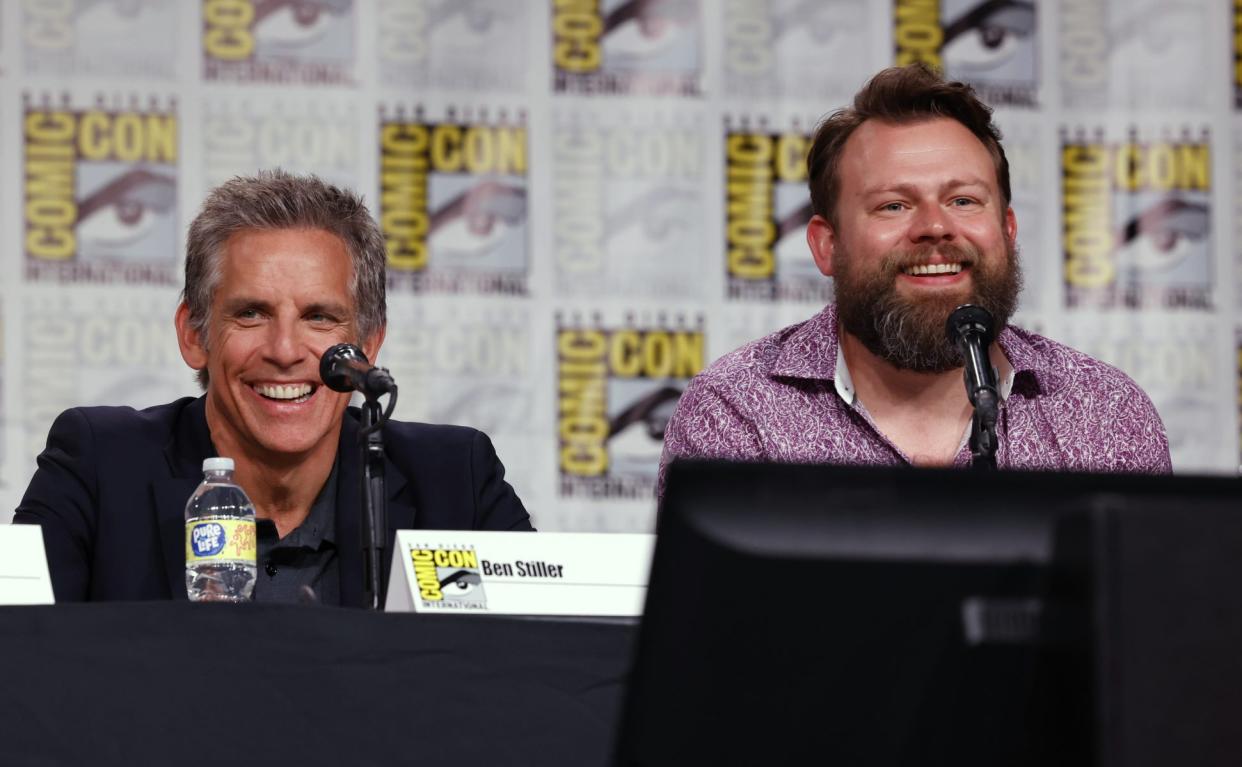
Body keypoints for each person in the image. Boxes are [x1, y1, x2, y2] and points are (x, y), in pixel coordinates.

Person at [15, 170, 533, 605]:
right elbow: (19, 667)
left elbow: (553, 670)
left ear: (368, 345)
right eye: (251, 313)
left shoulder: (454, 483)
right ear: (195, 335)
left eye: (320, 317)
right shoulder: (100, 467)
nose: (285, 350)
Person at [660, 65, 1171, 497]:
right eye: (894, 205)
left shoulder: (1102, 411)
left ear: (1007, 231)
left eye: (964, 201)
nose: (934, 226)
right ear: (826, 245)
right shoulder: (737, 412)